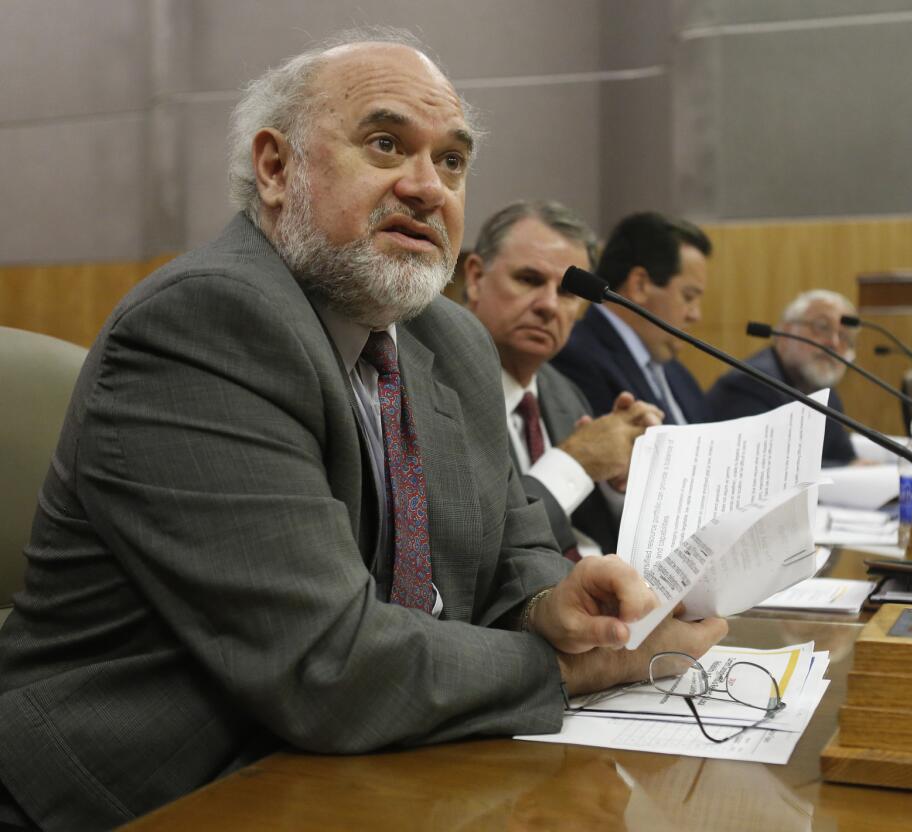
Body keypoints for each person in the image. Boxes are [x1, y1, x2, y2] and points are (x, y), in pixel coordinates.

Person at [0, 29, 725, 830]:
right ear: (276, 169)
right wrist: (581, 666)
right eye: (386, 145)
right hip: (154, 788)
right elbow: (326, 665)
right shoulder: (205, 322)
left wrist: (556, 605)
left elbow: (513, 551)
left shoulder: (446, 341)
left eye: (451, 162)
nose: (427, 188)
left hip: (354, 762)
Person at [464, 200, 662, 556]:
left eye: (568, 292)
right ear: (476, 278)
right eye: (529, 280)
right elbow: (476, 543)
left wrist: (621, 480)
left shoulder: (562, 391)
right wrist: (576, 461)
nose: (549, 305)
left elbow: (587, 531)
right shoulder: (434, 384)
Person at [551, 212, 712, 425]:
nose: (695, 315)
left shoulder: (677, 373)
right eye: (688, 297)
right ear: (639, 285)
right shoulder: (576, 358)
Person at [705, 289, 860, 466]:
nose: (834, 343)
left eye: (845, 336)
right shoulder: (751, 383)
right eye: (822, 327)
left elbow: (844, 457)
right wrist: (848, 468)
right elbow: (764, 469)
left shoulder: (825, 393)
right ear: (784, 332)